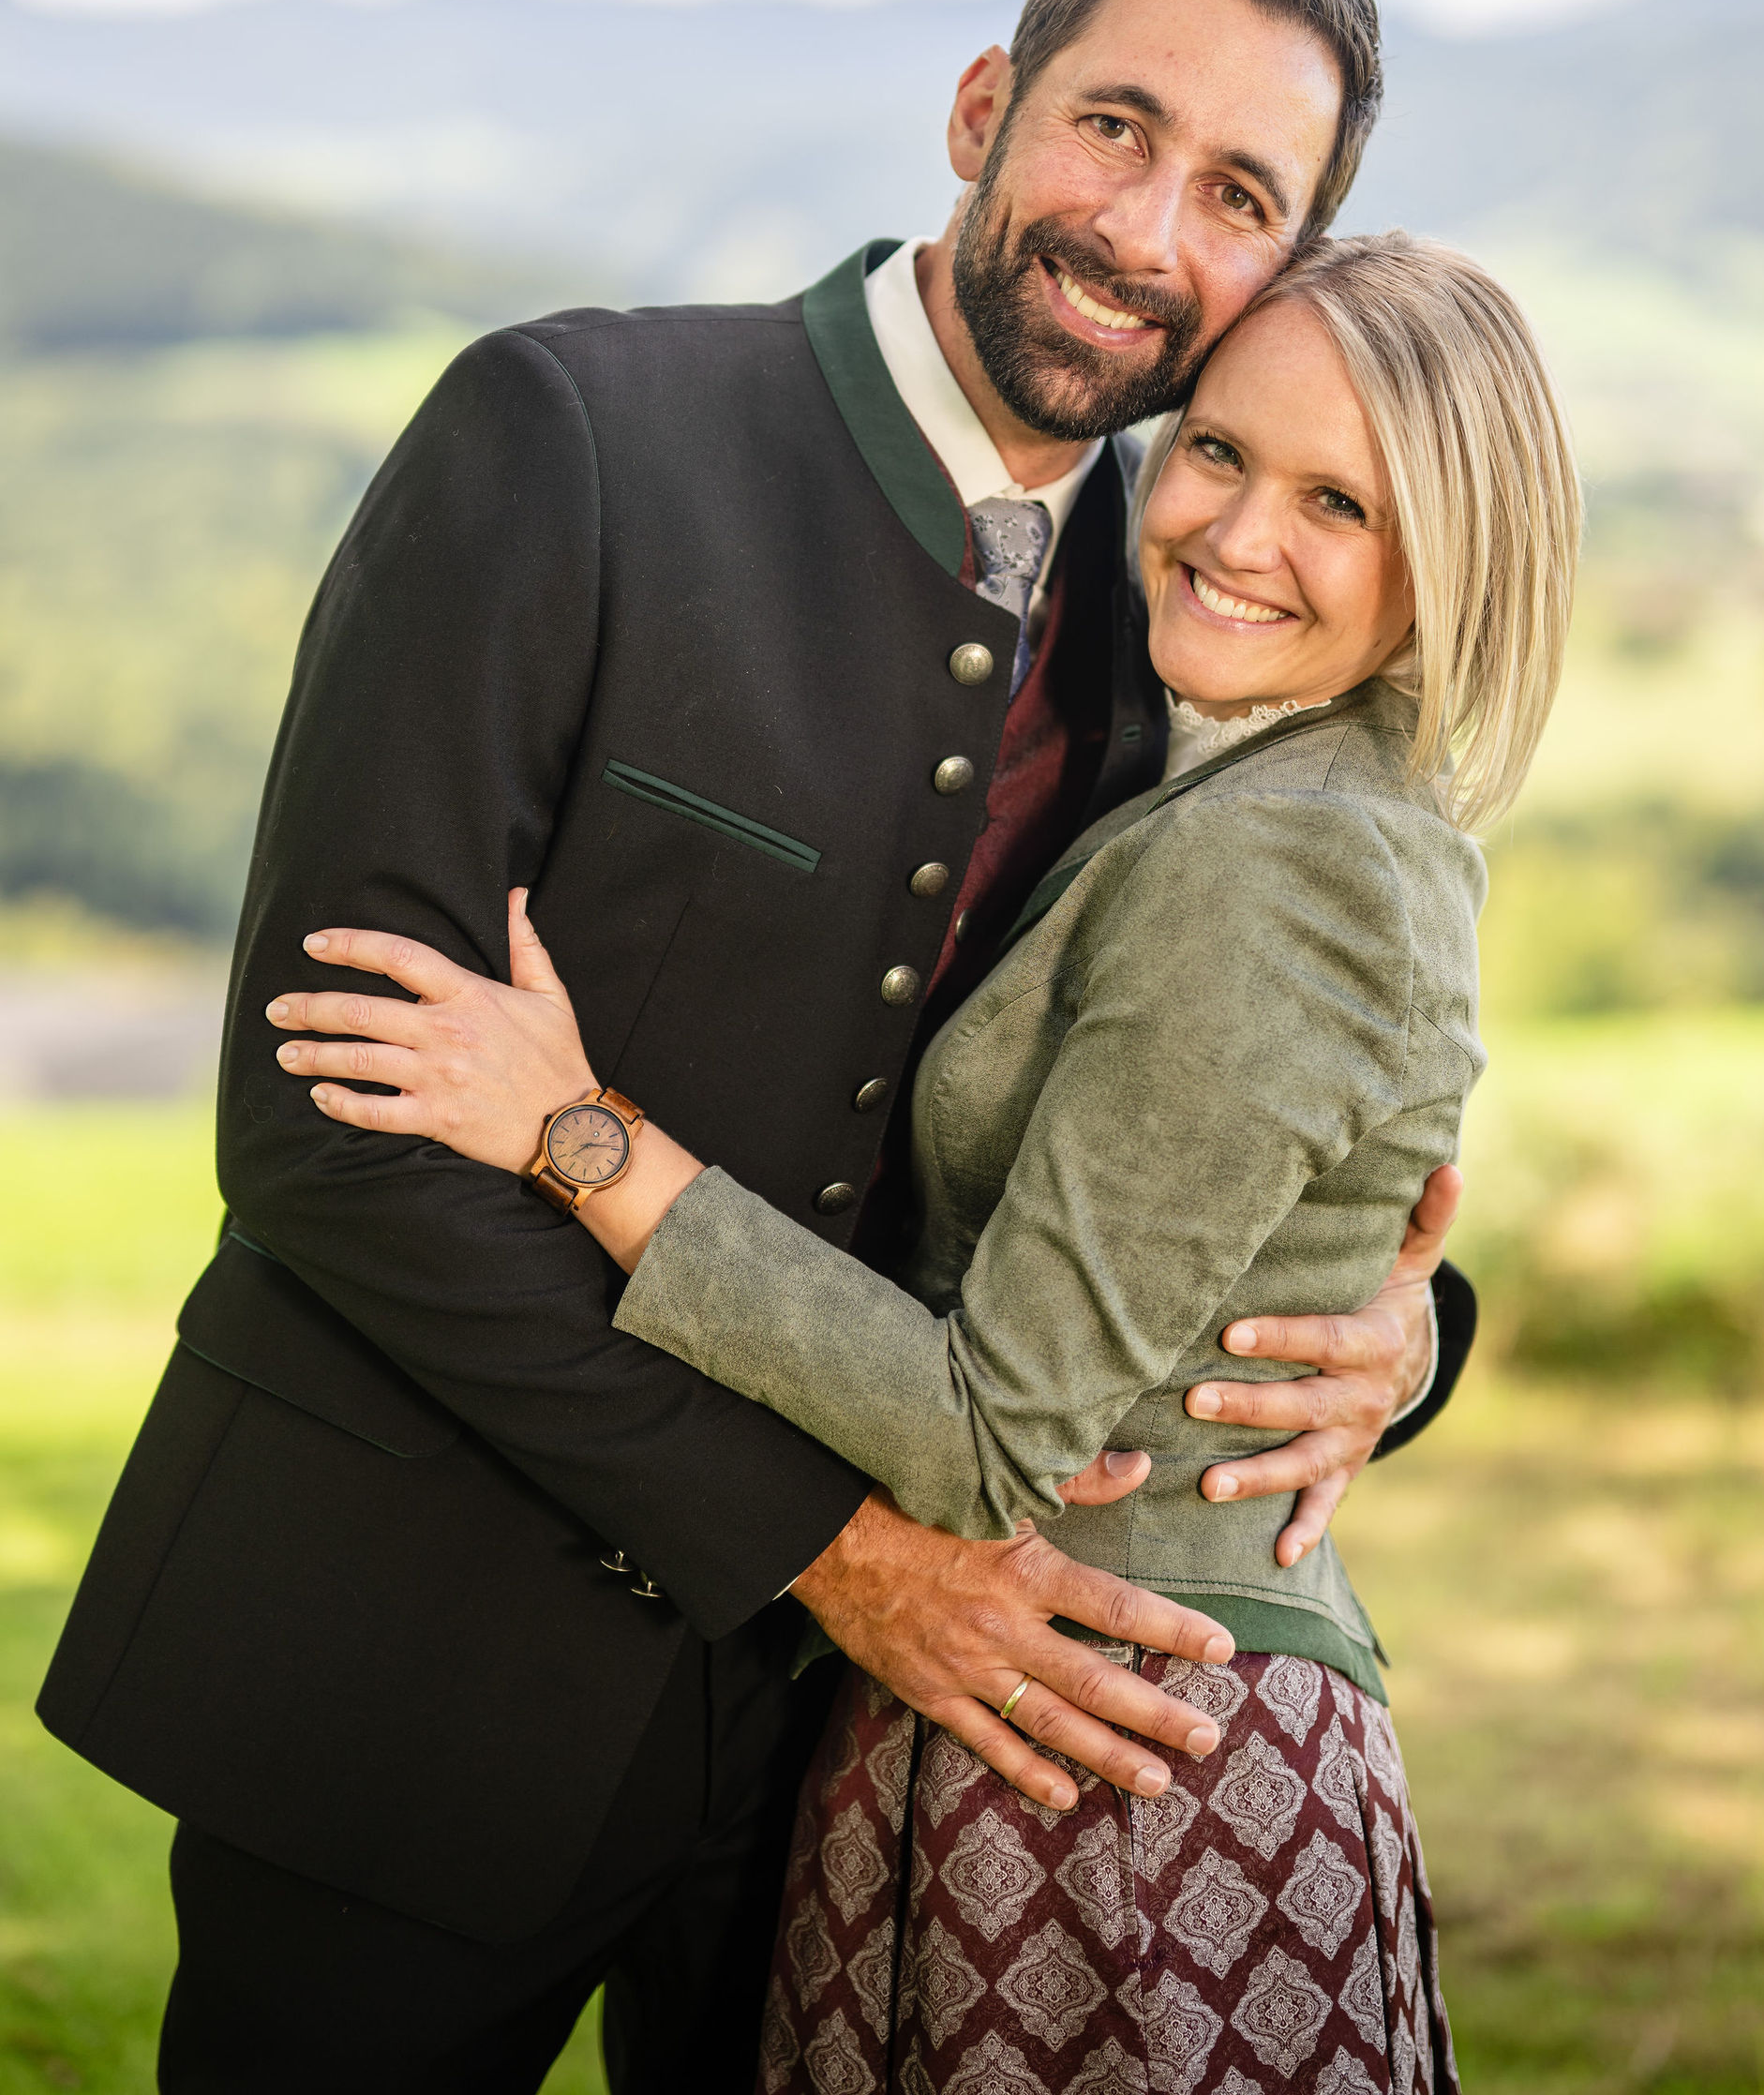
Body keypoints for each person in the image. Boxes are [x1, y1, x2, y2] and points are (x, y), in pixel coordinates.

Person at [38, 0, 1475, 2091]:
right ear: (982, 109)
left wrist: (1403, 1333)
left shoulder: (1181, 605)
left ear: (1276, 268)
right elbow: (329, 1133)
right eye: (1112, 125)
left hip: (837, 1780)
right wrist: (831, 1554)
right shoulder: (571, 437)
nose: (1142, 229)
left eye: (1235, 194)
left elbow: (1188, 1118)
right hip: (406, 1673)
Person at [278, 231, 1577, 2091]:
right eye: (1218, 450)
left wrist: (580, 1136)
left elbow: (991, 1434)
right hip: (1041, 1716)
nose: (1234, 532)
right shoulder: (1234, 763)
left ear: (1451, 560)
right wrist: (1404, 1323)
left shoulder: (1280, 853)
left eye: (1338, 504)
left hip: (1107, 1767)